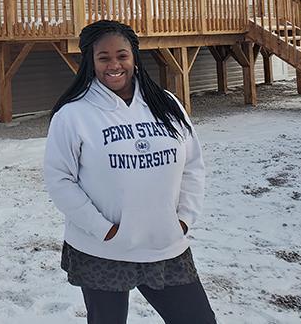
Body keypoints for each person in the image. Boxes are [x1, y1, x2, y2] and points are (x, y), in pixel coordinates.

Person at [43, 20, 216, 324]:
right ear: (90, 61)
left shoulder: (166, 104)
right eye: (104, 57)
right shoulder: (74, 114)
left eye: (122, 55)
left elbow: (192, 165)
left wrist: (184, 219)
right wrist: (104, 229)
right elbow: (60, 180)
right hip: (103, 249)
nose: (114, 65)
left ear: (134, 57)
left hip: (165, 243)